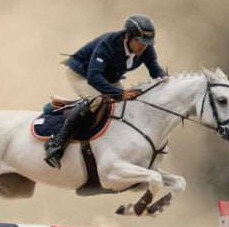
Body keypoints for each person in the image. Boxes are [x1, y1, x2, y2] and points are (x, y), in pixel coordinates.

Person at [44, 14, 168, 168]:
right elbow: (93, 77)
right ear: (128, 37)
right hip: (81, 74)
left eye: (147, 43)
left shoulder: (146, 49)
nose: (143, 47)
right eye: (139, 42)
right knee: (96, 100)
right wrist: (120, 94)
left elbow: (154, 69)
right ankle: (56, 144)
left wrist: (167, 80)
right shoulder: (108, 43)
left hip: (107, 76)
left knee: (127, 105)